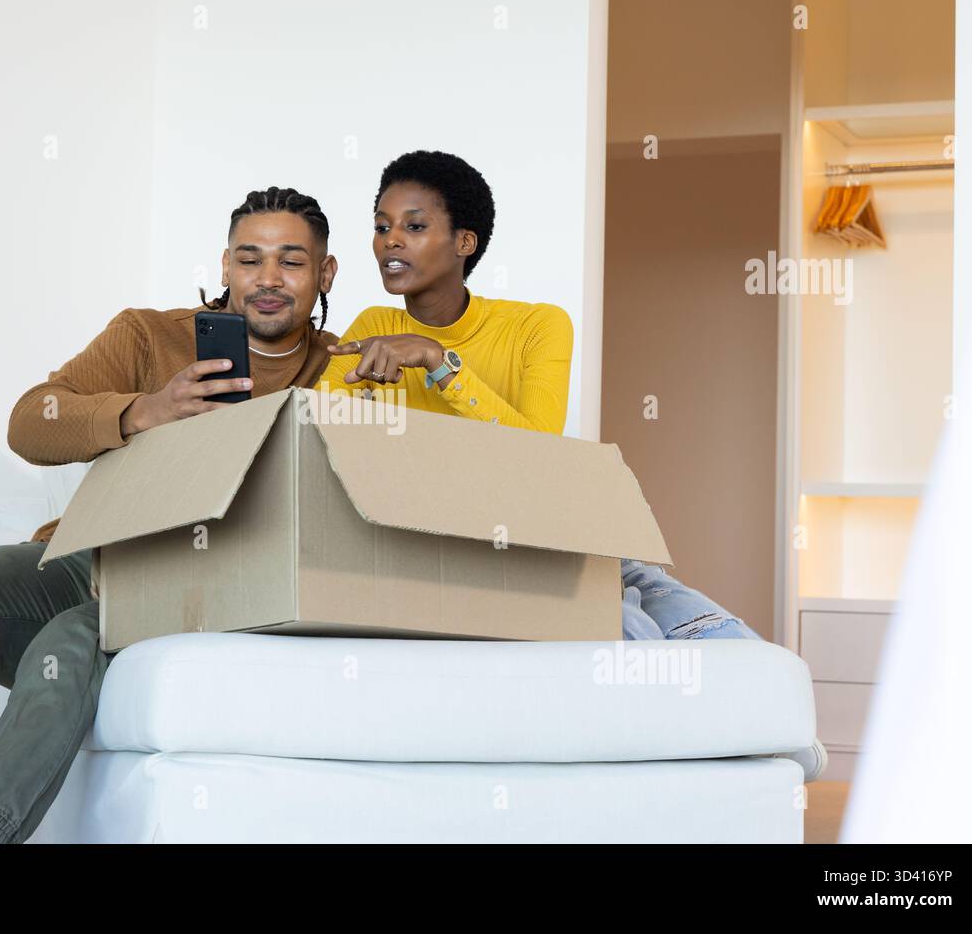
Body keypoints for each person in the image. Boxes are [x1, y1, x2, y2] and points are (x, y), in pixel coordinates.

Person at [0, 186, 340, 843]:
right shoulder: (149, 335)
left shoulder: (343, 371)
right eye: (250, 259)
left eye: (292, 262)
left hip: (201, 586)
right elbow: (30, 422)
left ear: (325, 273)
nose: (268, 280)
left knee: (70, 641)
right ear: (224, 266)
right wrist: (142, 410)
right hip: (92, 558)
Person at [317, 149, 762, 643]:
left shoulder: (538, 325)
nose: (391, 240)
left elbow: (536, 453)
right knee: (632, 634)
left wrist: (440, 363)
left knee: (731, 646)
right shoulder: (373, 330)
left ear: (465, 241)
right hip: (463, 549)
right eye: (382, 227)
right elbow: (317, 436)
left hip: (555, 536)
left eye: (414, 227)